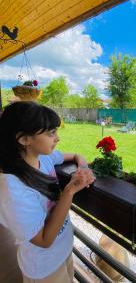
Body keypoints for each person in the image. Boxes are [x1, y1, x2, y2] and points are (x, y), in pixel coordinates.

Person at [0, 101, 95, 283]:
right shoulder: (12, 189)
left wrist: (83, 167)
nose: (57, 138)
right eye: (51, 133)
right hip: (43, 269)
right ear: (24, 139)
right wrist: (69, 191)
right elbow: (44, 240)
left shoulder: (43, 158)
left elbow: (75, 155)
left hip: (64, 250)